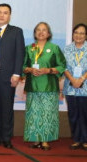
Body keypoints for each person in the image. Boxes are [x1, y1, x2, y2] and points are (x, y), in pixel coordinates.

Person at [0, 3, 25, 149]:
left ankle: (6, 138)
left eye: (5, 13)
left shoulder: (16, 32)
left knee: (7, 108)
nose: (2, 15)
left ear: (10, 15)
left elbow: (20, 54)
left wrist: (16, 74)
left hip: (8, 76)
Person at [22, 22, 66, 150]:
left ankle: (45, 140)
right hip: (33, 86)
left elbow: (62, 66)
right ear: (35, 33)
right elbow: (22, 66)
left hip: (49, 86)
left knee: (47, 114)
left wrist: (49, 70)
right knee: (34, 113)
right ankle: (36, 139)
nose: (41, 32)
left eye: (44, 30)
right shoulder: (29, 48)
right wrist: (30, 69)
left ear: (49, 33)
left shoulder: (54, 48)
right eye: (38, 30)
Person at [63, 23, 87, 151]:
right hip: (71, 87)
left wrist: (81, 79)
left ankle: (85, 140)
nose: (78, 35)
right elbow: (63, 67)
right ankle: (76, 139)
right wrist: (73, 79)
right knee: (73, 115)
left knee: (86, 114)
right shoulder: (67, 49)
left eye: (82, 33)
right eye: (76, 32)